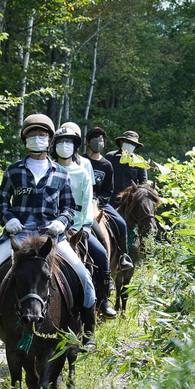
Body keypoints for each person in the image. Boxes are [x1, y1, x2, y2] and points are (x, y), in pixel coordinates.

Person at [0, 114, 98, 353]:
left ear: (49, 140)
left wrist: (61, 222)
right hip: (17, 237)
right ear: (24, 139)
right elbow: (1, 202)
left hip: (52, 239)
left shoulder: (61, 173)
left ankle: (88, 332)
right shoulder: (14, 171)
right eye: (32, 135)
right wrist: (9, 219)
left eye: (42, 135)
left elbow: (69, 206)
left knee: (84, 277)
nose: (37, 138)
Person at [54, 123, 117, 319]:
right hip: (53, 227)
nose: (65, 146)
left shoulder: (83, 169)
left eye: (69, 142)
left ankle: (104, 300)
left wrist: (87, 225)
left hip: (79, 225)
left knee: (100, 253)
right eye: (61, 142)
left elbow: (87, 199)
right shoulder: (49, 168)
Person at [83, 127, 133, 270]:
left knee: (121, 223)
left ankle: (123, 256)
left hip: (100, 203)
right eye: (94, 140)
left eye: (101, 140)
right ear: (87, 142)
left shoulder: (106, 165)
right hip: (81, 203)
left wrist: (98, 200)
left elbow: (108, 190)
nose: (98, 142)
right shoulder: (81, 160)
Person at [105, 130, 148, 208]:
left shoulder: (140, 161)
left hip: (129, 203)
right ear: (121, 142)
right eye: (128, 142)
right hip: (110, 201)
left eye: (133, 144)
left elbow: (143, 183)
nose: (130, 145)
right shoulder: (110, 157)